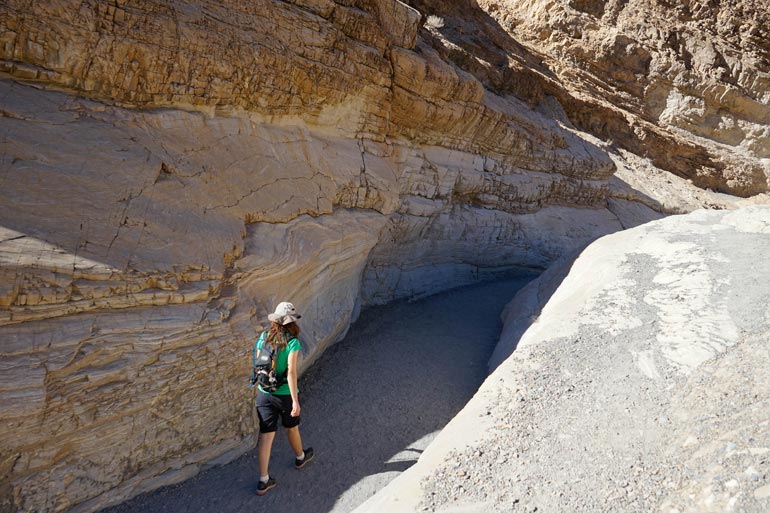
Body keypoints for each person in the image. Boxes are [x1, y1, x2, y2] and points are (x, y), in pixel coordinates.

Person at [255, 301, 314, 495]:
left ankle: (263, 480)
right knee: (291, 428)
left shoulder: (263, 337)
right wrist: (295, 401)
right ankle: (300, 457)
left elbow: (259, 364)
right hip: (284, 395)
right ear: (291, 322)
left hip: (264, 394)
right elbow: (291, 372)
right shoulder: (292, 342)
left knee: (266, 436)